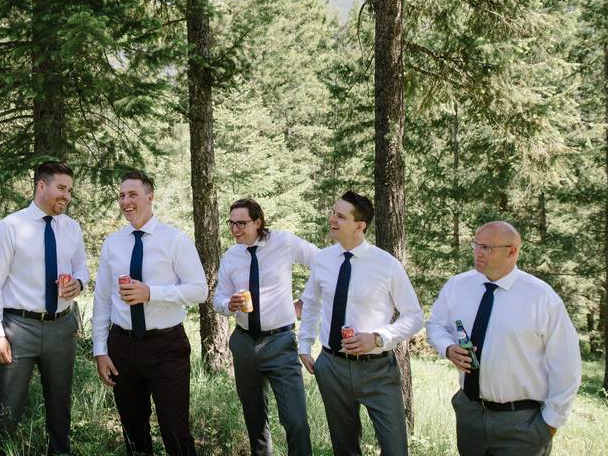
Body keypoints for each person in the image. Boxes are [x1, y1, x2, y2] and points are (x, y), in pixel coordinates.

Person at [425, 221, 581, 456]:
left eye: (487, 247)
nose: (478, 252)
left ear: (512, 251)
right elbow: (436, 324)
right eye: (476, 244)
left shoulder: (542, 298)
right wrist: (447, 348)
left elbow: (567, 366)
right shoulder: (458, 286)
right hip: (470, 415)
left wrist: (549, 425)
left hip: (522, 424)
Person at [297, 190, 422, 456]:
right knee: (344, 449)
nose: (332, 219)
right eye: (333, 212)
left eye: (340, 216)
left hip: (377, 370)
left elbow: (414, 316)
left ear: (360, 225)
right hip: (331, 367)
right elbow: (311, 303)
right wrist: (305, 344)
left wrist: (378, 337)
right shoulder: (323, 260)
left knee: (395, 449)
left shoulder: (386, 264)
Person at [92, 170, 208, 456]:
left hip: (166, 347)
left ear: (150, 197)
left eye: (132, 194)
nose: (125, 201)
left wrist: (152, 293)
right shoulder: (113, 243)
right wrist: (100, 350)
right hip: (122, 346)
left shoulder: (174, 240)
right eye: (121, 196)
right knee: (133, 430)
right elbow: (102, 299)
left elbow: (199, 290)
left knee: (175, 430)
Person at [0, 161, 89, 456]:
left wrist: (78, 284)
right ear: (41, 186)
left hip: (62, 327)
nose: (66, 196)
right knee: (8, 405)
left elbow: (82, 268)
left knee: (60, 403)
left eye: (70, 190)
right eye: (61, 188)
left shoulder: (71, 227)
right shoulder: (10, 227)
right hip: (19, 328)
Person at [214, 198, 316, 456]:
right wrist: (230, 304)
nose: (235, 229)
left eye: (241, 223)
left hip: (280, 343)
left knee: (296, 421)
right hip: (244, 343)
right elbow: (218, 299)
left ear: (258, 222)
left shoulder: (283, 242)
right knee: (255, 421)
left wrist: (306, 301)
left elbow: (323, 263)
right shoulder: (231, 256)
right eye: (231, 223)